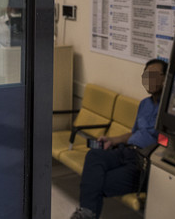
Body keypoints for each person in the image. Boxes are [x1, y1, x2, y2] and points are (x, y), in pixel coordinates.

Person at [70, 58, 167, 219]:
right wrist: (113, 140)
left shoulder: (170, 110)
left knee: (96, 183)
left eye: (155, 75)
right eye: (147, 75)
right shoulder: (144, 104)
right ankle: (87, 213)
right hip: (125, 151)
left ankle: (86, 213)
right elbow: (134, 133)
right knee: (94, 155)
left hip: (142, 163)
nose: (150, 79)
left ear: (166, 79)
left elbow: (168, 143)